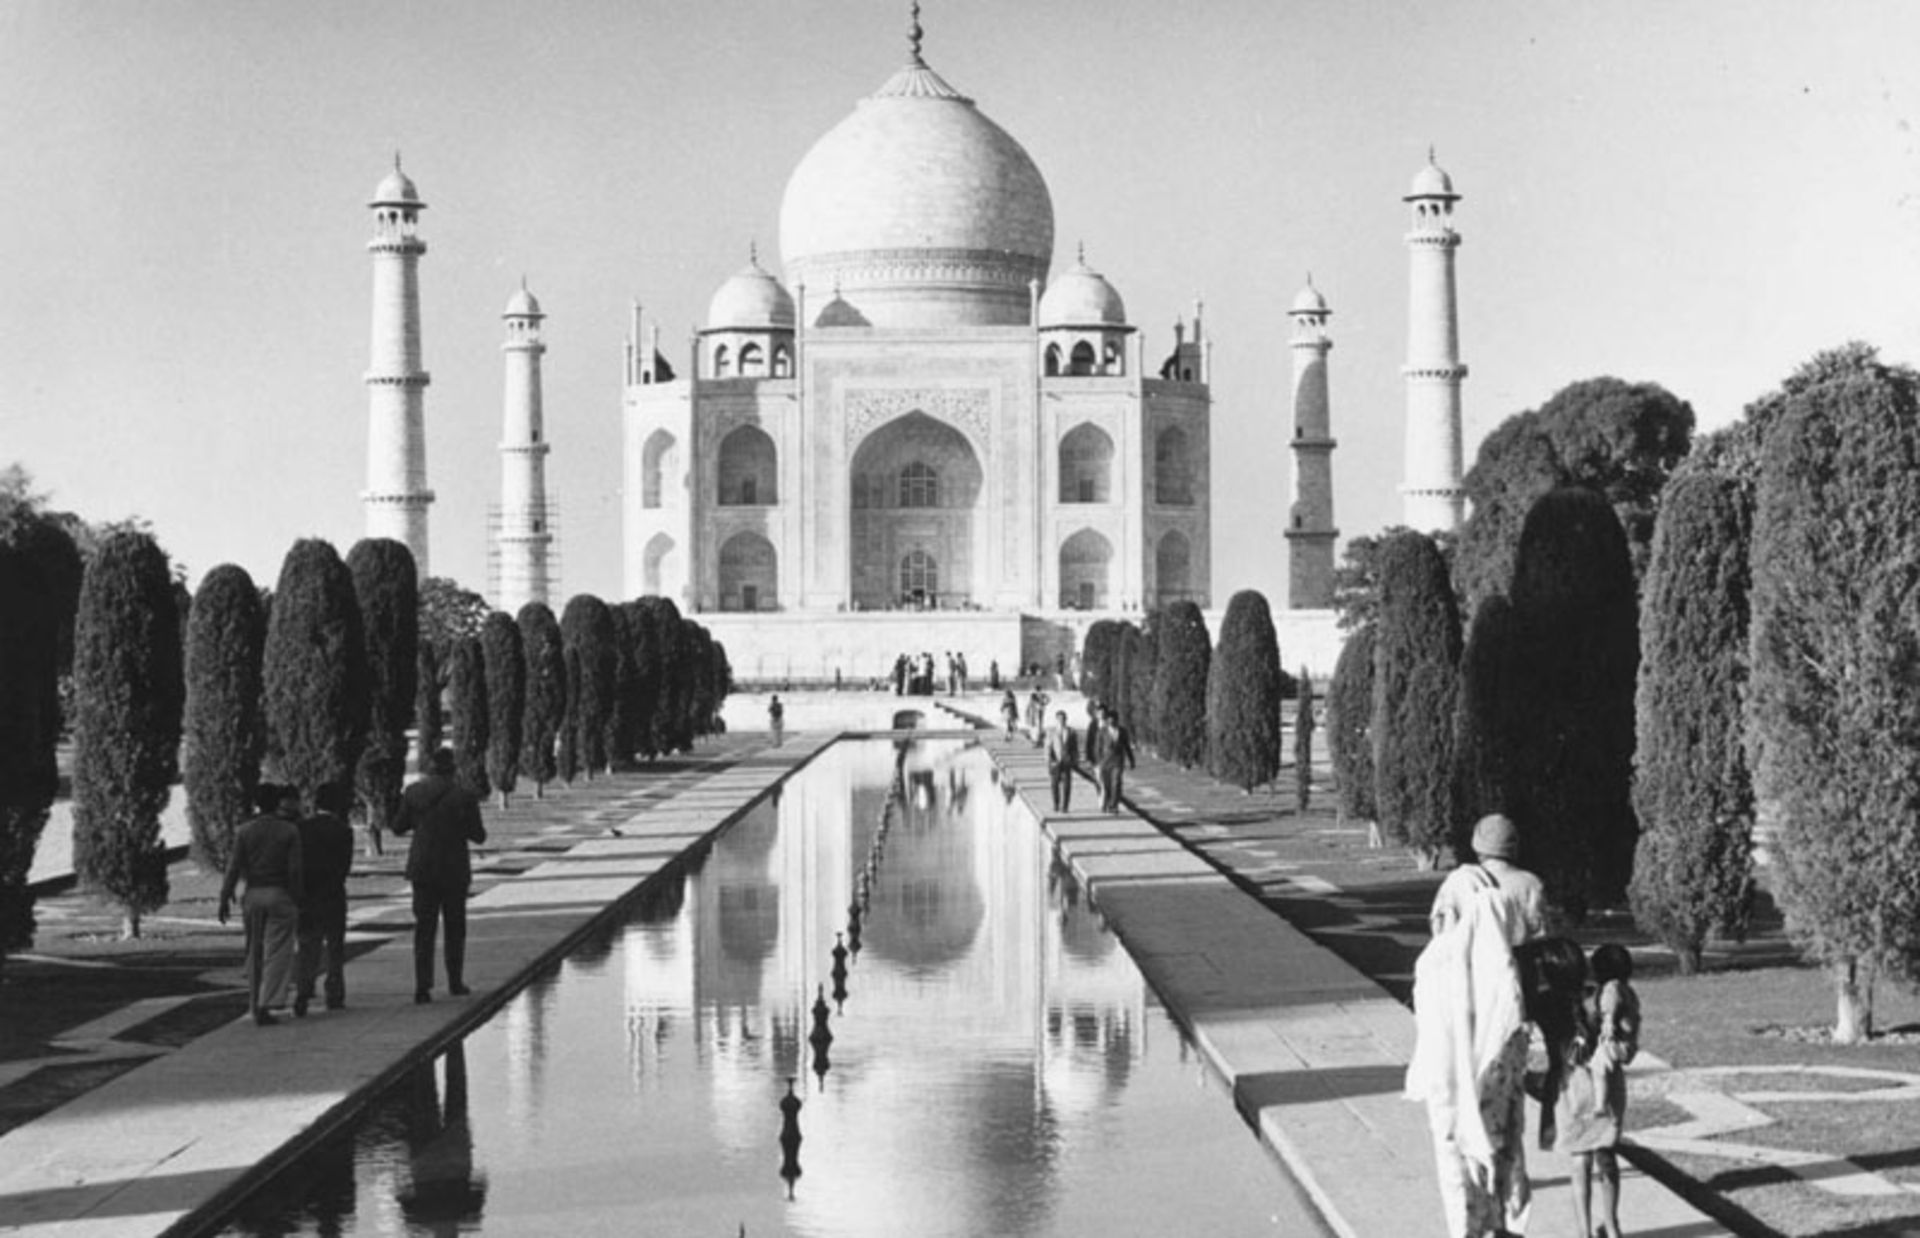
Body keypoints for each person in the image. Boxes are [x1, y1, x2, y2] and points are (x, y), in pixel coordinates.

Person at [1407, 812, 1547, 1238]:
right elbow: (1538, 949)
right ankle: (1504, 1214)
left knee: (1455, 1121)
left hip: (1457, 1013)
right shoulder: (1528, 886)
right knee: (1503, 1121)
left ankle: (1470, 1220)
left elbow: (1439, 941)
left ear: (1478, 845)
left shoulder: (1457, 884)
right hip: (1507, 1018)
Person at [392, 748, 488, 1004]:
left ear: (430, 768)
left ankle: (422, 987)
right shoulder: (464, 796)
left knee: (424, 928)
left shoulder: (413, 792)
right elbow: (479, 835)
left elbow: (398, 827)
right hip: (453, 869)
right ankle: (455, 982)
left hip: (422, 868)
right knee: (455, 927)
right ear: (453, 769)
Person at [1559, 942, 1640, 1238]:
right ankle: (1613, 1224)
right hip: (1610, 1081)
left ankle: (1584, 1230)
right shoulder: (1622, 995)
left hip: (1580, 1082)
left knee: (1580, 1159)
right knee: (1607, 1154)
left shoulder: (1579, 999)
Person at [219, 783, 305, 1027]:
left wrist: (225, 896)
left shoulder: (244, 831)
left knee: (253, 951)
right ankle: (269, 1001)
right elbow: (295, 870)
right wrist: (298, 897)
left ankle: (253, 1004)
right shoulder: (288, 831)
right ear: (277, 803)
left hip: (253, 893)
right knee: (277, 951)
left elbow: (233, 867)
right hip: (279, 893)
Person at [294, 780, 355, 1016]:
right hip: (333, 894)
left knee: (308, 945)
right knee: (335, 947)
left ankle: (303, 991)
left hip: (308, 895)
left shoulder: (301, 829)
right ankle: (335, 992)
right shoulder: (343, 831)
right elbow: (344, 867)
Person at [1096, 705, 1134, 813]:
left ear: (1117, 720)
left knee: (1116, 783)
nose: (1111, 721)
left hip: (1117, 762)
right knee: (1107, 785)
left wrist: (1131, 760)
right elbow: (1098, 748)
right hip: (1105, 762)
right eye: (1109, 719)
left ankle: (1114, 805)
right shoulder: (1102, 732)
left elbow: (1127, 746)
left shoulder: (1122, 731)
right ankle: (1107, 803)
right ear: (1107, 720)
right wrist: (1098, 762)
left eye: (1114, 719)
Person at [1045, 710, 1080, 812]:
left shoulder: (1071, 732)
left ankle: (1065, 806)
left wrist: (1075, 760)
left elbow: (1074, 748)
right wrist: (1050, 761)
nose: (1061, 720)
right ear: (1056, 720)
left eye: (1063, 718)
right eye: (1059, 719)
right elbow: (1048, 748)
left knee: (1067, 786)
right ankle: (1056, 804)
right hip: (1056, 763)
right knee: (1054, 785)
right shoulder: (1051, 732)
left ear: (1066, 719)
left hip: (1066, 763)